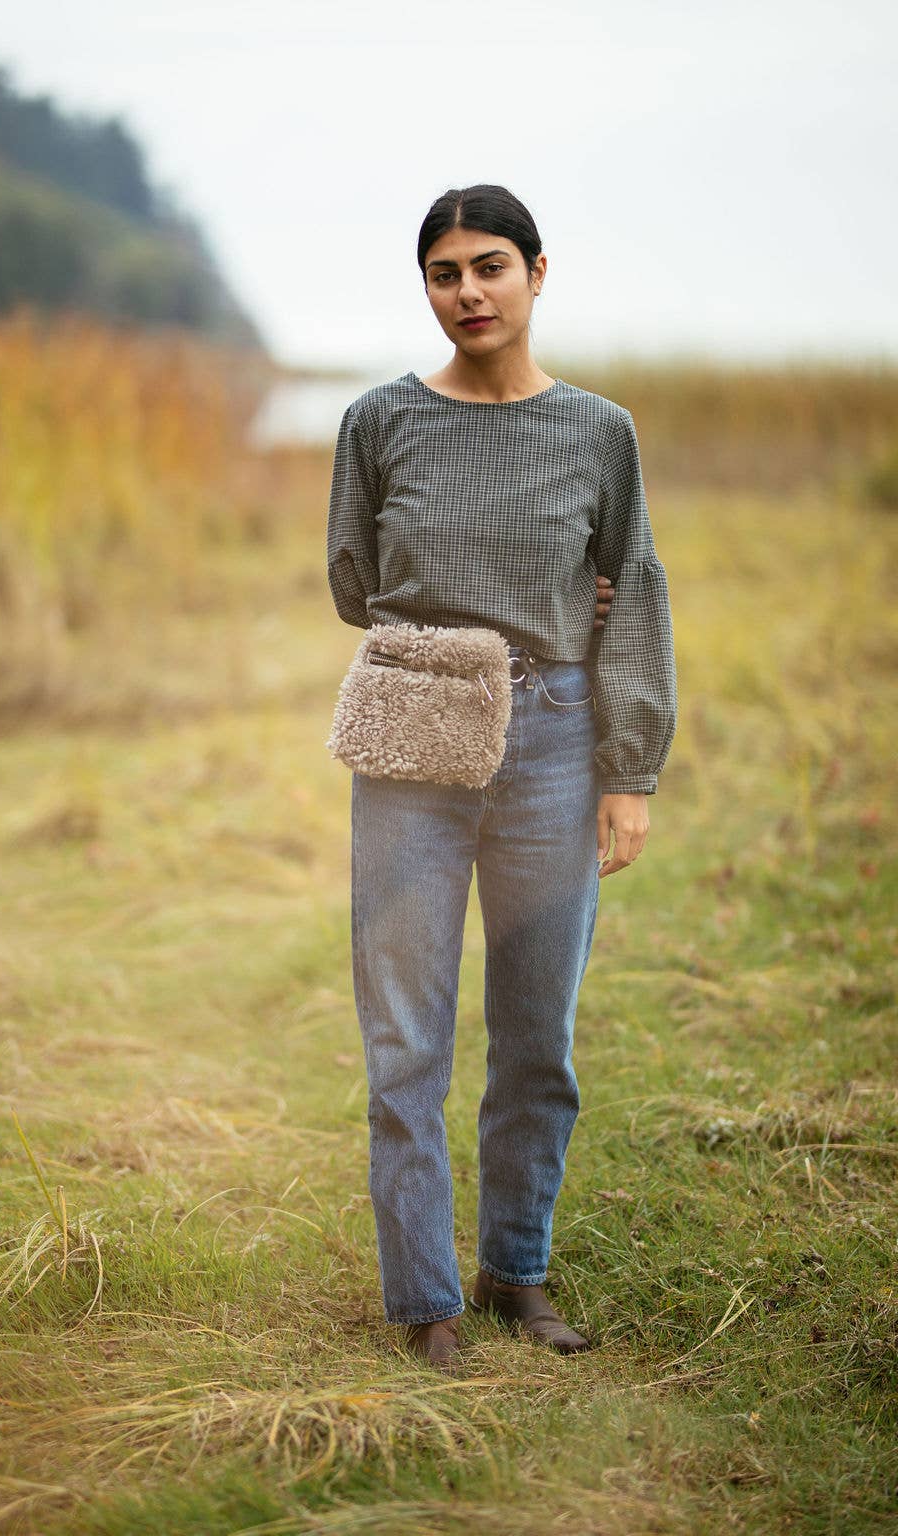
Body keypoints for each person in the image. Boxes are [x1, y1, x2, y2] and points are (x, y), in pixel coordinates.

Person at [326, 184, 677, 1373]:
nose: (466, 292)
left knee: (537, 1038)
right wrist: (469, 622)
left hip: (555, 747)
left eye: (488, 267)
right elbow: (350, 576)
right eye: (441, 273)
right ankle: (426, 1300)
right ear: (424, 287)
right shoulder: (378, 422)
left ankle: (514, 1272)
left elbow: (633, 597)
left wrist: (626, 772)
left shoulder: (597, 431)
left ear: (536, 272)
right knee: (405, 1039)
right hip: (415, 742)